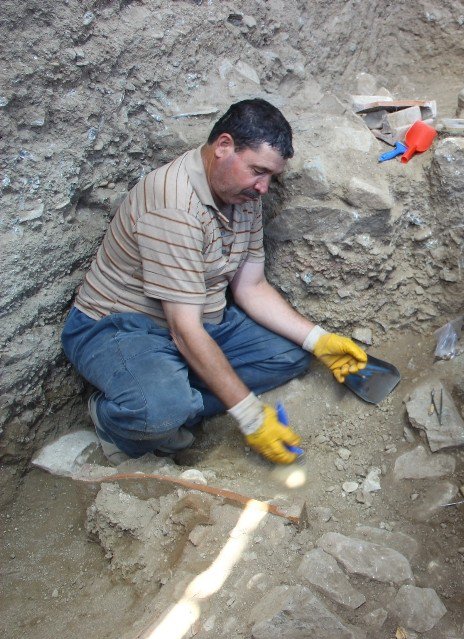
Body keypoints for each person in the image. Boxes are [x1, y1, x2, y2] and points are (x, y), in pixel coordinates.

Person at [61, 98, 368, 465]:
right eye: (258, 170)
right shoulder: (173, 208)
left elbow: (250, 288)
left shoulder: (241, 195)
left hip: (200, 320)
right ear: (224, 146)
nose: (264, 187)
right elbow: (183, 330)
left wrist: (320, 340)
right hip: (119, 328)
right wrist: (251, 417)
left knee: (290, 354)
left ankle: (175, 397)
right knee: (159, 410)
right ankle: (118, 419)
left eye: (271, 176)